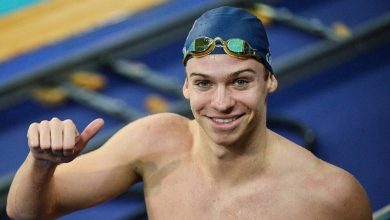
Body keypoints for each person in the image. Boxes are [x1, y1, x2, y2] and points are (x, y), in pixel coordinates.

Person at [7, 6, 372, 220]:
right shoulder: (154, 142)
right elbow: (27, 212)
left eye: (240, 82)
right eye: (203, 84)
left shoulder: (329, 196)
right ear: (185, 86)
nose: (221, 102)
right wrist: (41, 164)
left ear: (269, 81)